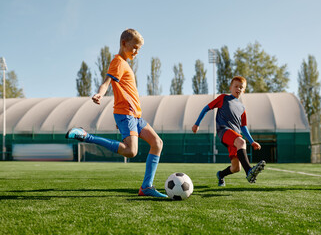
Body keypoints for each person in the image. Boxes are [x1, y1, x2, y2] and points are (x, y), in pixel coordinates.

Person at [66, 29, 167, 197]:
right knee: (131, 151)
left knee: (157, 143)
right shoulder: (118, 62)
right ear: (123, 43)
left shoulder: (125, 64)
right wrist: (100, 93)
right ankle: (86, 136)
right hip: (126, 113)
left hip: (135, 115)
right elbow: (106, 82)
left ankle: (146, 187)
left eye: (139, 49)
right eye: (135, 47)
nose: (136, 52)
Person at [192, 76, 266, 186]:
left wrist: (252, 141)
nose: (238, 89)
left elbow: (243, 127)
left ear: (244, 90)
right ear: (230, 87)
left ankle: (221, 175)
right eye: (236, 86)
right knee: (241, 142)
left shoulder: (242, 108)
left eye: (241, 87)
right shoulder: (223, 98)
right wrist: (197, 123)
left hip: (235, 137)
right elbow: (206, 108)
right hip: (224, 131)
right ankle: (250, 171)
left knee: (236, 168)